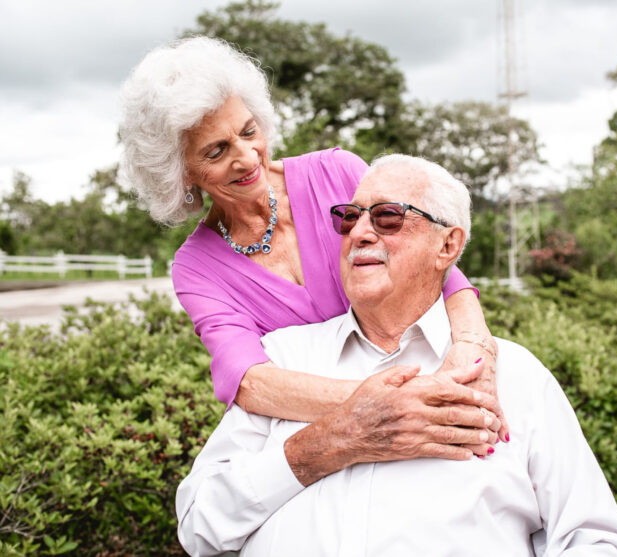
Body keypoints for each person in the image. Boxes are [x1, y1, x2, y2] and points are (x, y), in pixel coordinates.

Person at [175, 154, 617, 556]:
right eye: (349, 217)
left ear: (448, 245)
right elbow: (200, 525)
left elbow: (597, 540)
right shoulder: (283, 359)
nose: (358, 232)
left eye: (387, 217)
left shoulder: (512, 377)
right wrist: (327, 443)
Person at [118, 35, 507, 448]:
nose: (248, 158)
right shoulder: (197, 268)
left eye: (249, 132)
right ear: (181, 173)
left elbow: (438, 262)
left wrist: (474, 348)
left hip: (427, 377)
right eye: (217, 151)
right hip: (320, 437)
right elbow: (249, 381)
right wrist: (387, 406)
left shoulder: (337, 174)